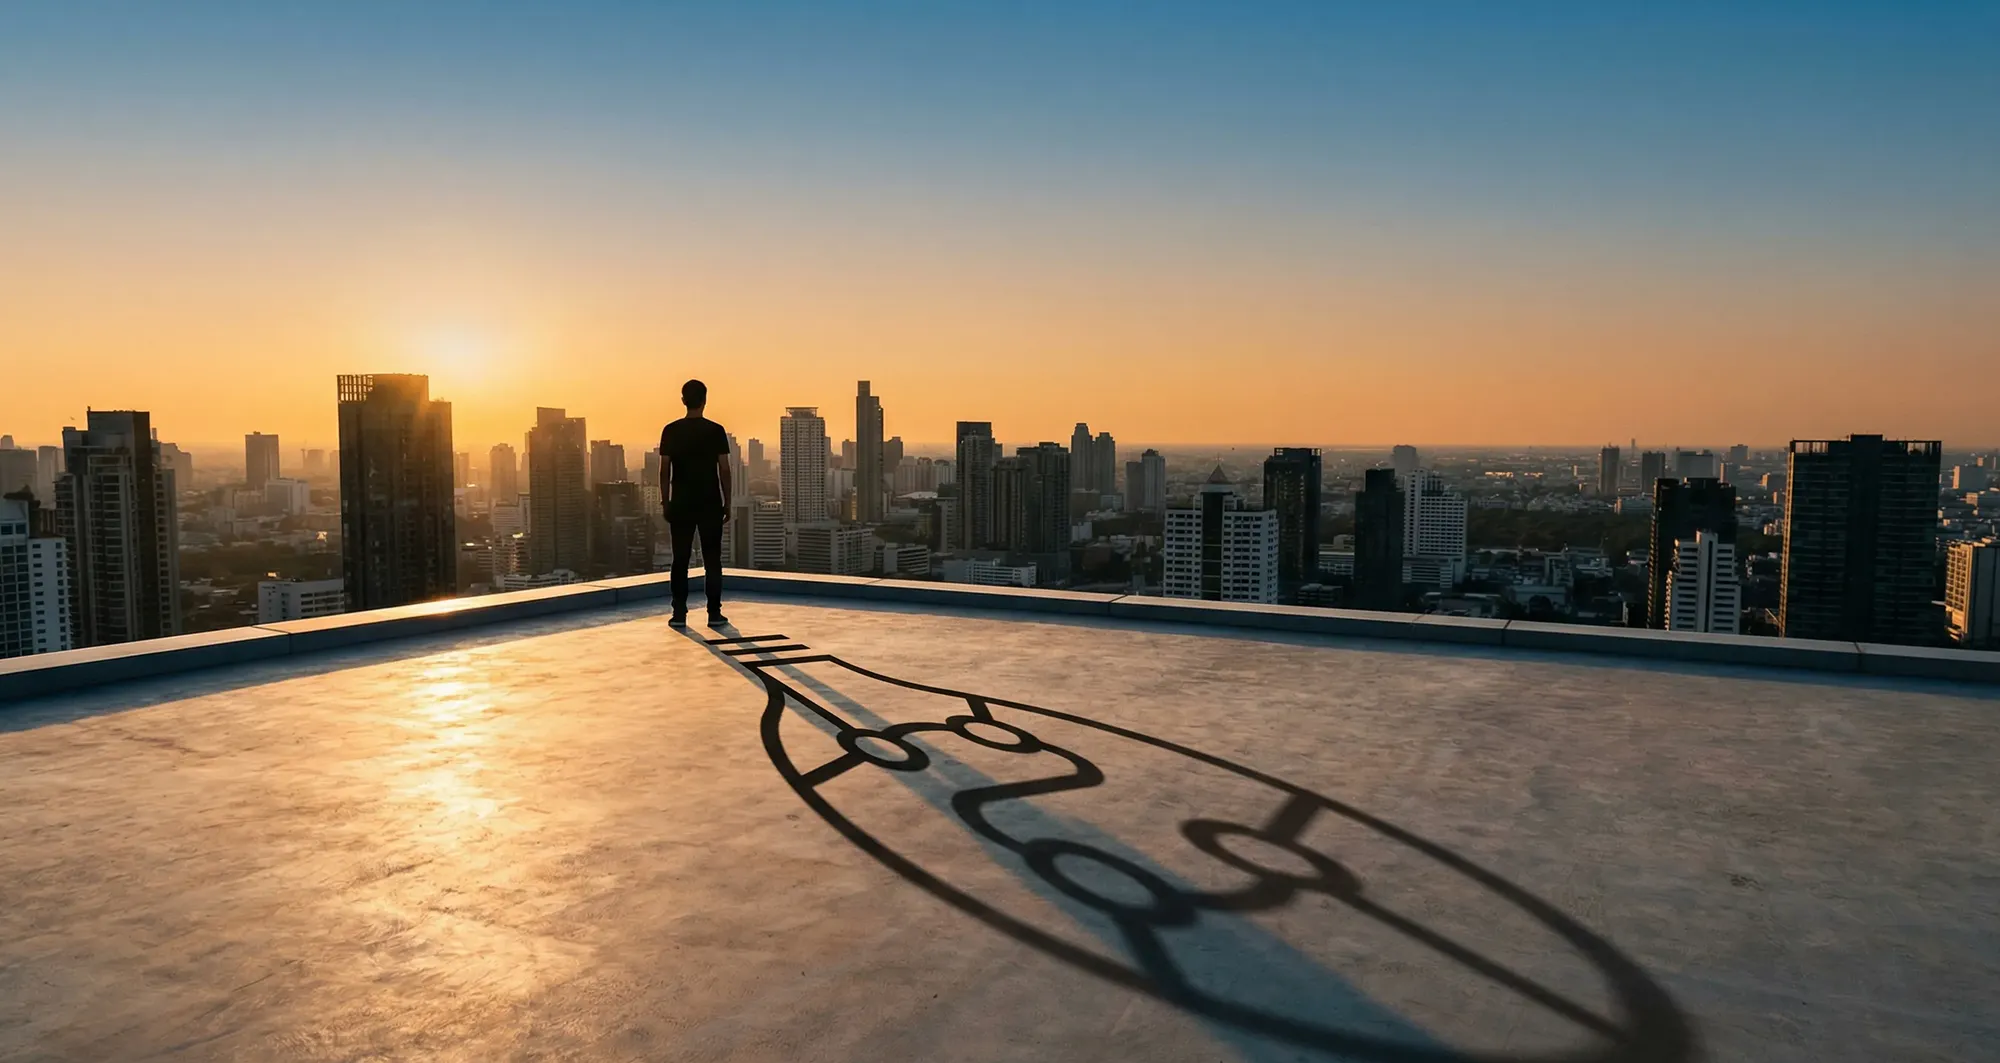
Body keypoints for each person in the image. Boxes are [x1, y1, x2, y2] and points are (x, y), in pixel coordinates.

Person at [659, 378, 732, 626]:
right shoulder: (715, 430)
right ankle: (714, 613)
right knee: (712, 560)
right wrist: (728, 502)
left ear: (683, 400)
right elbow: (724, 470)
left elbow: (663, 470)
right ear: (705, 400)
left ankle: (679, 613)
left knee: (680, 559)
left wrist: (665, 502)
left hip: (680, 503)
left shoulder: (670, 430)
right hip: (710, 503)